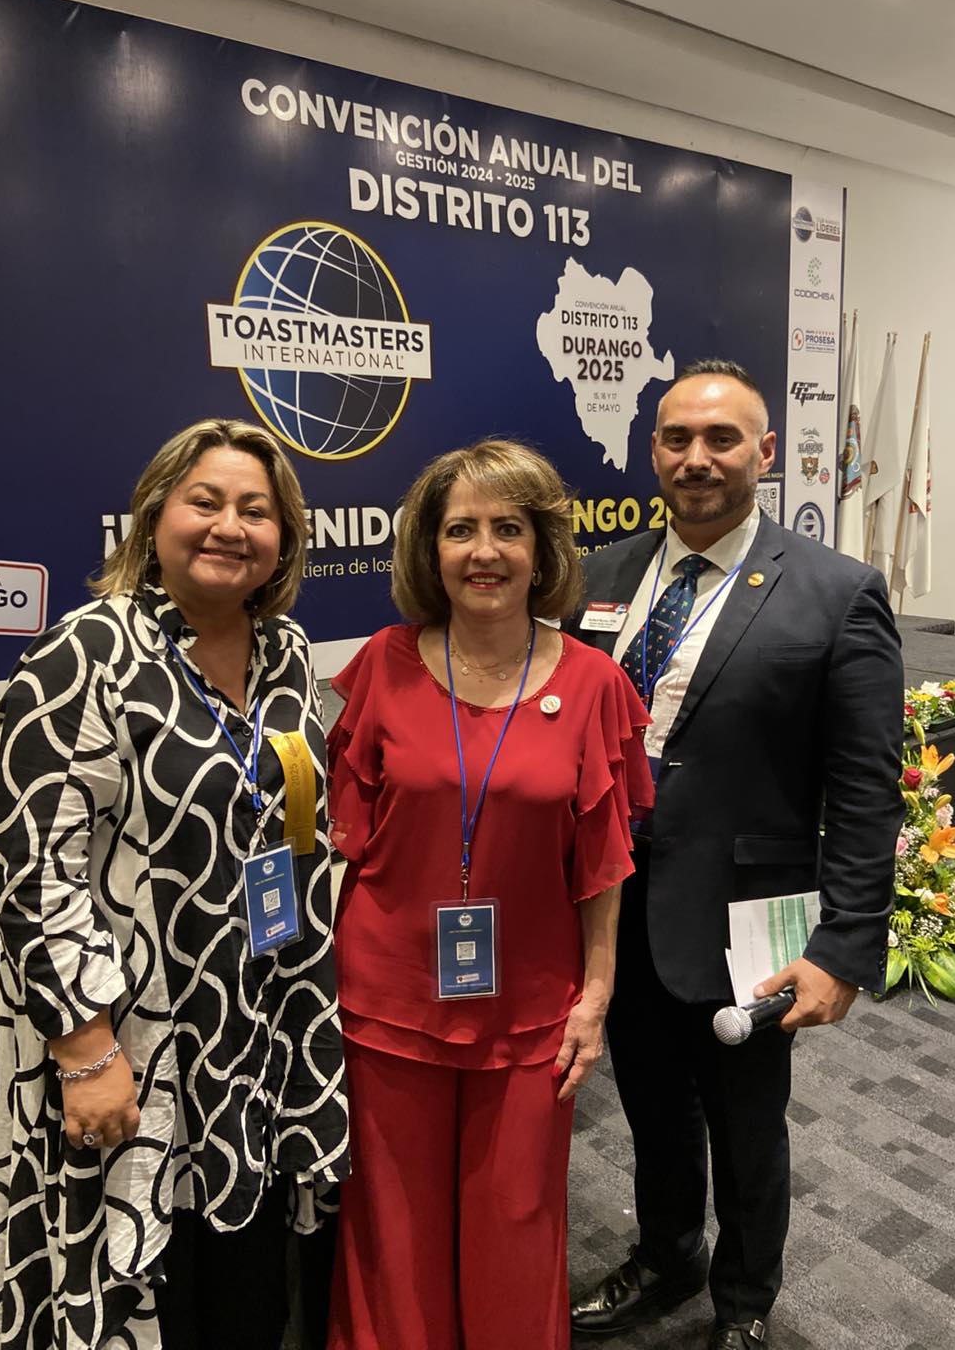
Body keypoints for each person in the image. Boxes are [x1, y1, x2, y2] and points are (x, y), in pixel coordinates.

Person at [0, 419, 349, 1350]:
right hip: (133, 1042)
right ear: (153, 519)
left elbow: (297, 819)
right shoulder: (87, 652)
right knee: (142, 1291)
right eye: (205, 502)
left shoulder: (287, 652)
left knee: (247, 1286)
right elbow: (31, 870)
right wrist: (86, 1050)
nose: (230, 526)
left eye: (255, 510)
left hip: (255, 1025)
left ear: (284, 539)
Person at [567, 361, 903, 1350]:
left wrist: (844, 948)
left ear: (765, 451)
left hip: (749, 916)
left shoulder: (837, 593)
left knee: (747, 1124)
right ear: (653, 450)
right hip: (615, 908)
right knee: (651, 1106)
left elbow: (867, 788)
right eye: (677, 438)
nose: (697, 458)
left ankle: (745, 1302)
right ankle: (667, 1256)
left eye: (722, 439)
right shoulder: (598, 578)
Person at [324, 440, 654, 1350]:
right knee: (394, 1228)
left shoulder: (594, 684)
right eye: (460, 529)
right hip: (386, 997)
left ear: (542, 549)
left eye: (508, 528)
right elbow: (343, 843)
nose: (484, 551)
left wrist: (596, 997)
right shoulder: (383, 664)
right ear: (428, 549)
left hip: (533, 1006)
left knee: (517, 1220)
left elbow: (604, 864)